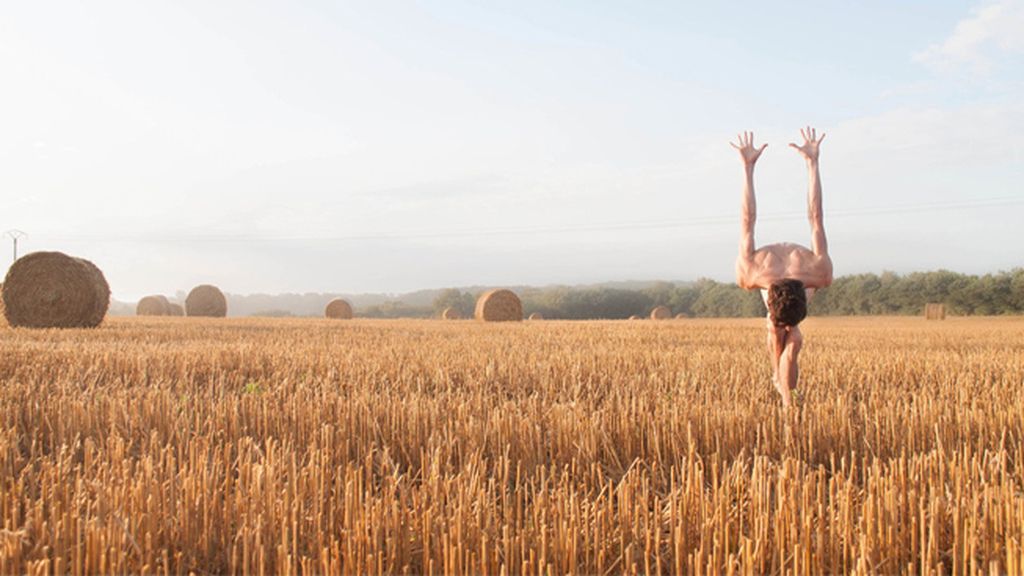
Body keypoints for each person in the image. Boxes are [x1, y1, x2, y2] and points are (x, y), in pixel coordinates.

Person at [732, 127, 833, 408]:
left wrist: (747, 169)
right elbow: (816, 216)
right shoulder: (818, 272)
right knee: (791, 339)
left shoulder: (752, 273)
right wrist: (813, 163)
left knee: (779, 334)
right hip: (794, 271)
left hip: (773, 271)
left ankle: (782, 386)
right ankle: (785, 393)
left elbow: (746, 219)